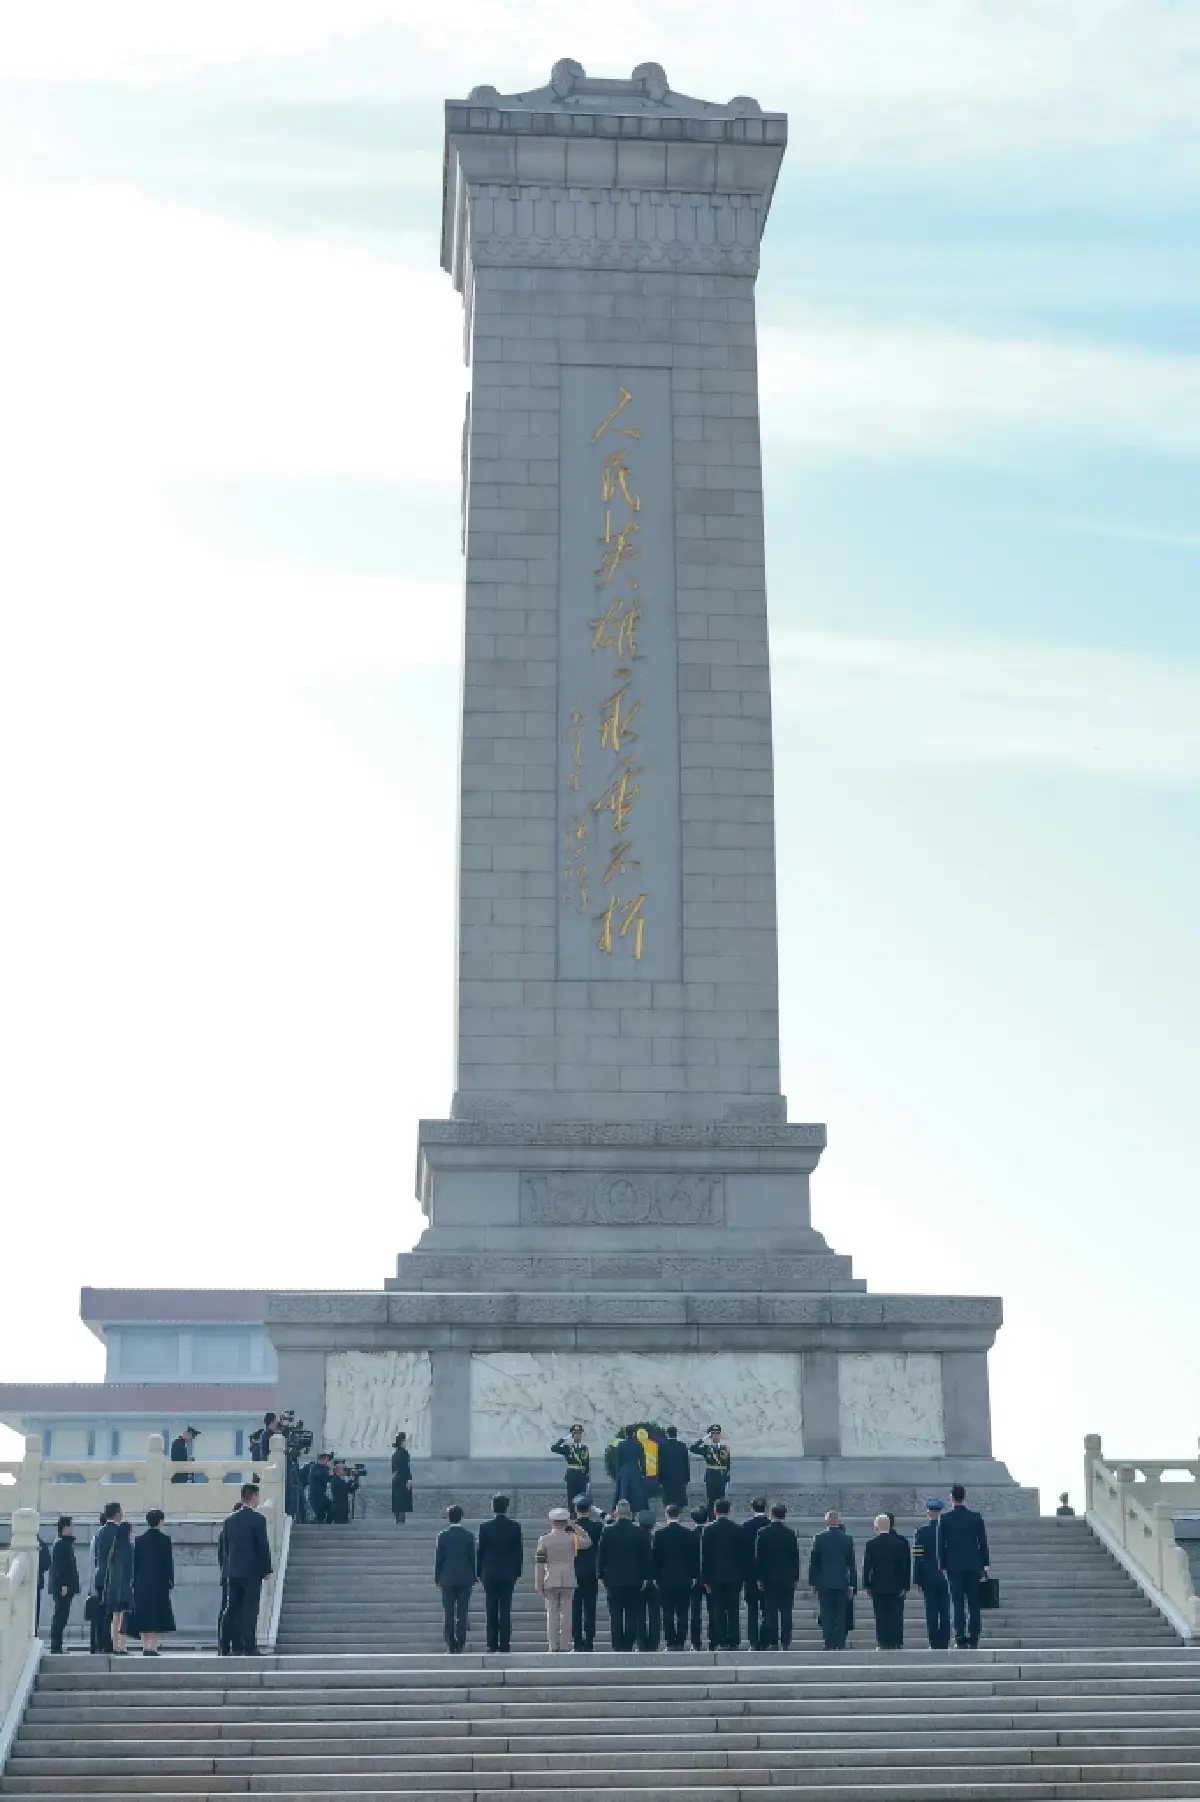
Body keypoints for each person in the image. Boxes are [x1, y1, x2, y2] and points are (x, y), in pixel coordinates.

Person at [938, 1483, 990, 1650]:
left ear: (951, 1498)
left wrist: (942, 1565)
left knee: (957, 1603)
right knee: (974, 1603)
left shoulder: (945, 1518)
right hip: (974, 1566)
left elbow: (941, 1545)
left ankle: (960, 1638)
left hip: (954, 1567)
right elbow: (983, 1543)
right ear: (964, 1498)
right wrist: (985, 1565)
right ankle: (974, 1638)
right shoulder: (976, 1517)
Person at [223, 1482, 272, 1656]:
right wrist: (267, 1569)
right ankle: (249, 1646)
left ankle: (225, 1645)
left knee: (231, 1608)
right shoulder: (258, 1519)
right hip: (251, 1572)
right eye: (258, 1496)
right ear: (253, 1497)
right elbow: (262, 1546)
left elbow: (226, 1548)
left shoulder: (229, 1520)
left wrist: (228, 1568)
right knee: (250, 1609)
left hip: (233, 1570)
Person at [596, 1499, 651, 1651]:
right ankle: (628, 1643)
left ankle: (617, 1644)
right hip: (635, 1579)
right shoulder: (639, 1532)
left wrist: (600, 1575)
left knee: (615, 1614)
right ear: (631, 1514)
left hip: (613, 1579)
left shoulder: (607, 1531)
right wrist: (646, 1576)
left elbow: (601, 1555)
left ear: (616, 1514)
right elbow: (646, 1557)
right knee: (632, 1613)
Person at [477, 1494, 523, 1653]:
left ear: (493, 1507)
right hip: (508, 1573)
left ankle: (491, 1643)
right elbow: (519, 1552)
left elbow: (480, 1552)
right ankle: (504, 1643)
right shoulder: (515, 1526)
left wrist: (479, 1572)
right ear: (507, 1507)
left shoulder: (485, 1527)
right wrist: (517, 1572)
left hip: (489, 1573)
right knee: (505, 1609)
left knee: (490, 1609)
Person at [652, 1503, 700, 1650]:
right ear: (680, 1516)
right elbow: (694, 1557)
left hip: (664, 1578)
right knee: (683, 1612)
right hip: (684, 1578)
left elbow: (655, 1558)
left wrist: (655, 1576)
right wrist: (693, 1575)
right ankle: (680, 1641)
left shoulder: (659, 1534)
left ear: (666, 1515)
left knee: (667, 1612)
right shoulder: (689, 1533)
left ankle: (670, 1642)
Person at [808, 1510, 857, 1651]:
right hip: (841, 1582)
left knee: (826, 1613)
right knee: (840, 1613)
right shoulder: (847, 1539)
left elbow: (814, 1563)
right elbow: (851, 1564)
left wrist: (813, 1582)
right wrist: (852, 1584)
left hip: (824, 1582)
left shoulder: (819, 1538)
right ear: (839, 1522)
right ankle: (840, 1642)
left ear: (826, 1522)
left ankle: (828, 1642)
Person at [701, 1497, 745, 1649]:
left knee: (718, 1609)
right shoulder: (737, 1529)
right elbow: (742, 1555)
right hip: (735, 1576)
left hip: (715, 1576)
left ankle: (721, 1641)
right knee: (733, 1610)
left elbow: (705, 1556)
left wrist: (705, 1578)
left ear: (715, 1511)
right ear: (729, 1511)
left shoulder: (708, 1529)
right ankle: (734, 1641)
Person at [755, 1502, 800, 1650]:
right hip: (787, 1578)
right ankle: (786, 1641)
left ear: (771, 1515)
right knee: (787, 1612)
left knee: (771, 1612)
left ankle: (773, 1641)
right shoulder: (790, 1533)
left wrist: (759, 1578)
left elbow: (759, 1558)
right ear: (785, 1515)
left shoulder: (763, 1532)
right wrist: (795, 1577)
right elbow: (795, 1557)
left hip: (769, 1578)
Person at [863, 1513, 911, 1650]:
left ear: (876, 1527)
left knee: (880, 1615)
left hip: (877, 1585)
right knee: (895, 1615)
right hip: (896, 1585)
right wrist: (905, 1585)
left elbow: (867, 1567)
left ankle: (883, 1642)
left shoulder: (871, 1544)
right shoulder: (899, 1544)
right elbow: (903, 1567)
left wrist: (867, 1584)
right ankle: (895, 1641)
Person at [534, 1507, 578, 1653]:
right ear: (566, 1522)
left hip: (550, 1578)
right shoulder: (572, 1538)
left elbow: (540, 1562)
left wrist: (538, 1582)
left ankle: (553, 1645)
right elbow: (588, 1541)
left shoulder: (544, 1540)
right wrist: (574, 1525)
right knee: (566, 1614)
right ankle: (564, 1645)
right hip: (568, 1579)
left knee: (551, 1614)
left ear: (551, 1522)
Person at [434, 1504, 476, 1653]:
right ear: (461, 1517)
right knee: (462, 1613)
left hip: (447, 1578)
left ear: (448, 1518)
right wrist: (474, 1576)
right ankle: (461, 1644)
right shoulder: (468, 1535)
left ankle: (450, 1644)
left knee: (449, 1612)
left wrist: (437, 1578)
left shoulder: (443, 1535)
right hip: (465, 1579)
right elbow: (473, 1559)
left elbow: (439, 1559)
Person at [133, 1509, 175, 1656]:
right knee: (156, 1614)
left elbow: (135, 1564)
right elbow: (168, 1563)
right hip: (159, 1582)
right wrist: (171, 1581)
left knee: (144, 1613)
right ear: (160, 1522)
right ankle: (153, 1646)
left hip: (141, 1581)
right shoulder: (165, 1540)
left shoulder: (139, 1540)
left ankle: (145, 1646)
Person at [912, 1499, 950, 1650]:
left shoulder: (921, 1532)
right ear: (940, 1513)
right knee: (945, 1610)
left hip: (928, 1577)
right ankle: (945, 1641)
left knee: (931, 1611)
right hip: (946, 1576)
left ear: (929, 1513)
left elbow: (917, 1556)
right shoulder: (948, 1531)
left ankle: (934, 1643)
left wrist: (917, 1580)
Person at [570, 1499, 603, 1652]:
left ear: (576, 1509)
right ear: (589, 1510)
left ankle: (577, 1640)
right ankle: (589, 1640)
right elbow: (610, 1520)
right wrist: (600, 1511)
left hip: (574, 1570)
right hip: (591, 1571)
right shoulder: (596, 1526)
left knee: (575, 1607)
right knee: (590, 1607)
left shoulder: (569, 1528)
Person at [89, 1503, 122, 1655]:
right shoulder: (119, 1531)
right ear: (117, 1514)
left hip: (100, 1576)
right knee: (111, 1613)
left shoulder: (99, 1532)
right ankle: (109, 1644)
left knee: (103, 1612)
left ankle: (101, 1644)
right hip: (113, 1577)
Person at [216, 1496, 245, 1655]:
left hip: (228, 1575)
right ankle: (229, 1644)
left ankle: (227, 1644)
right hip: (231, 1576)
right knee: (231, 1611)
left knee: (229, 1610)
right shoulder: (228, 1532)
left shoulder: (225, 1531)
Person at [741, 1498, 770, 1649]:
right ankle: (766, 1640)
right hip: (769, 1574)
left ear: (751, 1508)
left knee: (752, 1610)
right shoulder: (770, 1525)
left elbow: (743, 1552)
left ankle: (753, 1642)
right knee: (767, 1610)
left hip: (750, 1574)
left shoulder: (746, 1526)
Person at [48, 1517, 79, 1655]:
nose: (72, 1528)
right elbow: (60, 1568)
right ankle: (55, 1645)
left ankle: (57, 1644)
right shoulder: (61, 1544)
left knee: (62, 1615)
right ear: (65, 1528)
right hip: (63, 1587)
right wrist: (64, 1585)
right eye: (71, 1526)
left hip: (65, 1586)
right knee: (60, 1615)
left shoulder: (65, 1543)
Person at [102, 1519, 135, 1653]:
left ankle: (115, 1645)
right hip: (124, 1588)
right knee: (122, 1618)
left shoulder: (114, 1549)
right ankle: (122, 1645)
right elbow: (129, 1570)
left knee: (115, 1618)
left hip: (113, 1588)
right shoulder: (128, 1549)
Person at [689, 1426, 731, 1516]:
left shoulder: (725, 1448)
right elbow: (692, 1448)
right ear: (710, 1436)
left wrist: (727, 1479)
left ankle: (721, 1517)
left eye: (717, 1434)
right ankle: (711, 1518)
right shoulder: (706, 1448)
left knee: (721, 1499)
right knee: (711, 1499)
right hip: (711, 1476)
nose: (716, 1436)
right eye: (713, 1434)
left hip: (721, 1476)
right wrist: (704, 1438)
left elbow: (728, 1465)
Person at [688, 1505, 714, 1650]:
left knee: (695, 1613)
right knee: (713, 1611)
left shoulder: (689, 1534)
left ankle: (695, 1643)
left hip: (694, 1579)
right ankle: (713, 1641)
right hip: (711, 1578)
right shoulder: (712, 1533)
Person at [635, 1511, 662, 1650]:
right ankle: (654, 1642)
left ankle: (641, 1643)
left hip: (638, 1580)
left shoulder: (635, 1539)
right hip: (655, 1580)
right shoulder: (656, 1539)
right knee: (655, 1614)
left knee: (639, 1614)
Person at [550, 1425, 591, 1507]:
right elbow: (554, 1448)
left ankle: (581, 1515)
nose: (577, 1436)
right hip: (571, 1475)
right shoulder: (568, 1448)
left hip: (581, 1476)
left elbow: (586, 1464)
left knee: (581, 1497)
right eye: (575, 1434)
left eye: (579, 1433)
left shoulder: (585, 1448)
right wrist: (565, 1438)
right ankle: (572, 1515)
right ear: (572, 1435)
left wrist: (587, 1477)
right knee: (571, 1497)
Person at [612, 1426, 648, 1514]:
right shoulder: (638, 1444)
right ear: (634, 1434)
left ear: (625, 1434)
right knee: (636, 1494)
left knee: (624, 1493)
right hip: (635, 1470)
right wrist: (644, 1472)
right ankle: (635, 1512)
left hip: (624, 1471)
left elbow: (618, 1461)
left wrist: (618, 1474)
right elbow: (642, 1460)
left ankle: (624, 1513)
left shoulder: (621, 1445)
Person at [657, 1427, 690, 1511]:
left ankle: (669, 1517)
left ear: (667, 1434)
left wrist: (659, 1479)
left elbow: (660, 1464)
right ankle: (678, 1518)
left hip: (666, 1478)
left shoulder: (662, 1447)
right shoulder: (682, 1446)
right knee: (679, 1500)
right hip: (679, 1478)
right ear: (676, 1434)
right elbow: (686, 1463)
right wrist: (686, 1478)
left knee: (668, 1501)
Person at [391, 1432, 413, 1524]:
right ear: (402, 1442)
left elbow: (393, 1468)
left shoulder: (395, 1454)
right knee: (403, 1501)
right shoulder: (404, 1453)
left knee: (397, 1500)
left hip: (396, 1479)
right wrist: (409, 1479)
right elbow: (406, 1468)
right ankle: (401, 1520)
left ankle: (397, 1519)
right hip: (403, 1478)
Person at [307, 1451, 333, 1524]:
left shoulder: (324, 1469)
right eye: (324, 1459)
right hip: (315, 1496)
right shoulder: (315, 1467)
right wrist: (327, 1469)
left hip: (322, 1495)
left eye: (327, 1459)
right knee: (320, 1515)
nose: (326, 1461)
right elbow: (318, 1474)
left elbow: (329, 1479)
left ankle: (327, 1525)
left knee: (331, 1509)